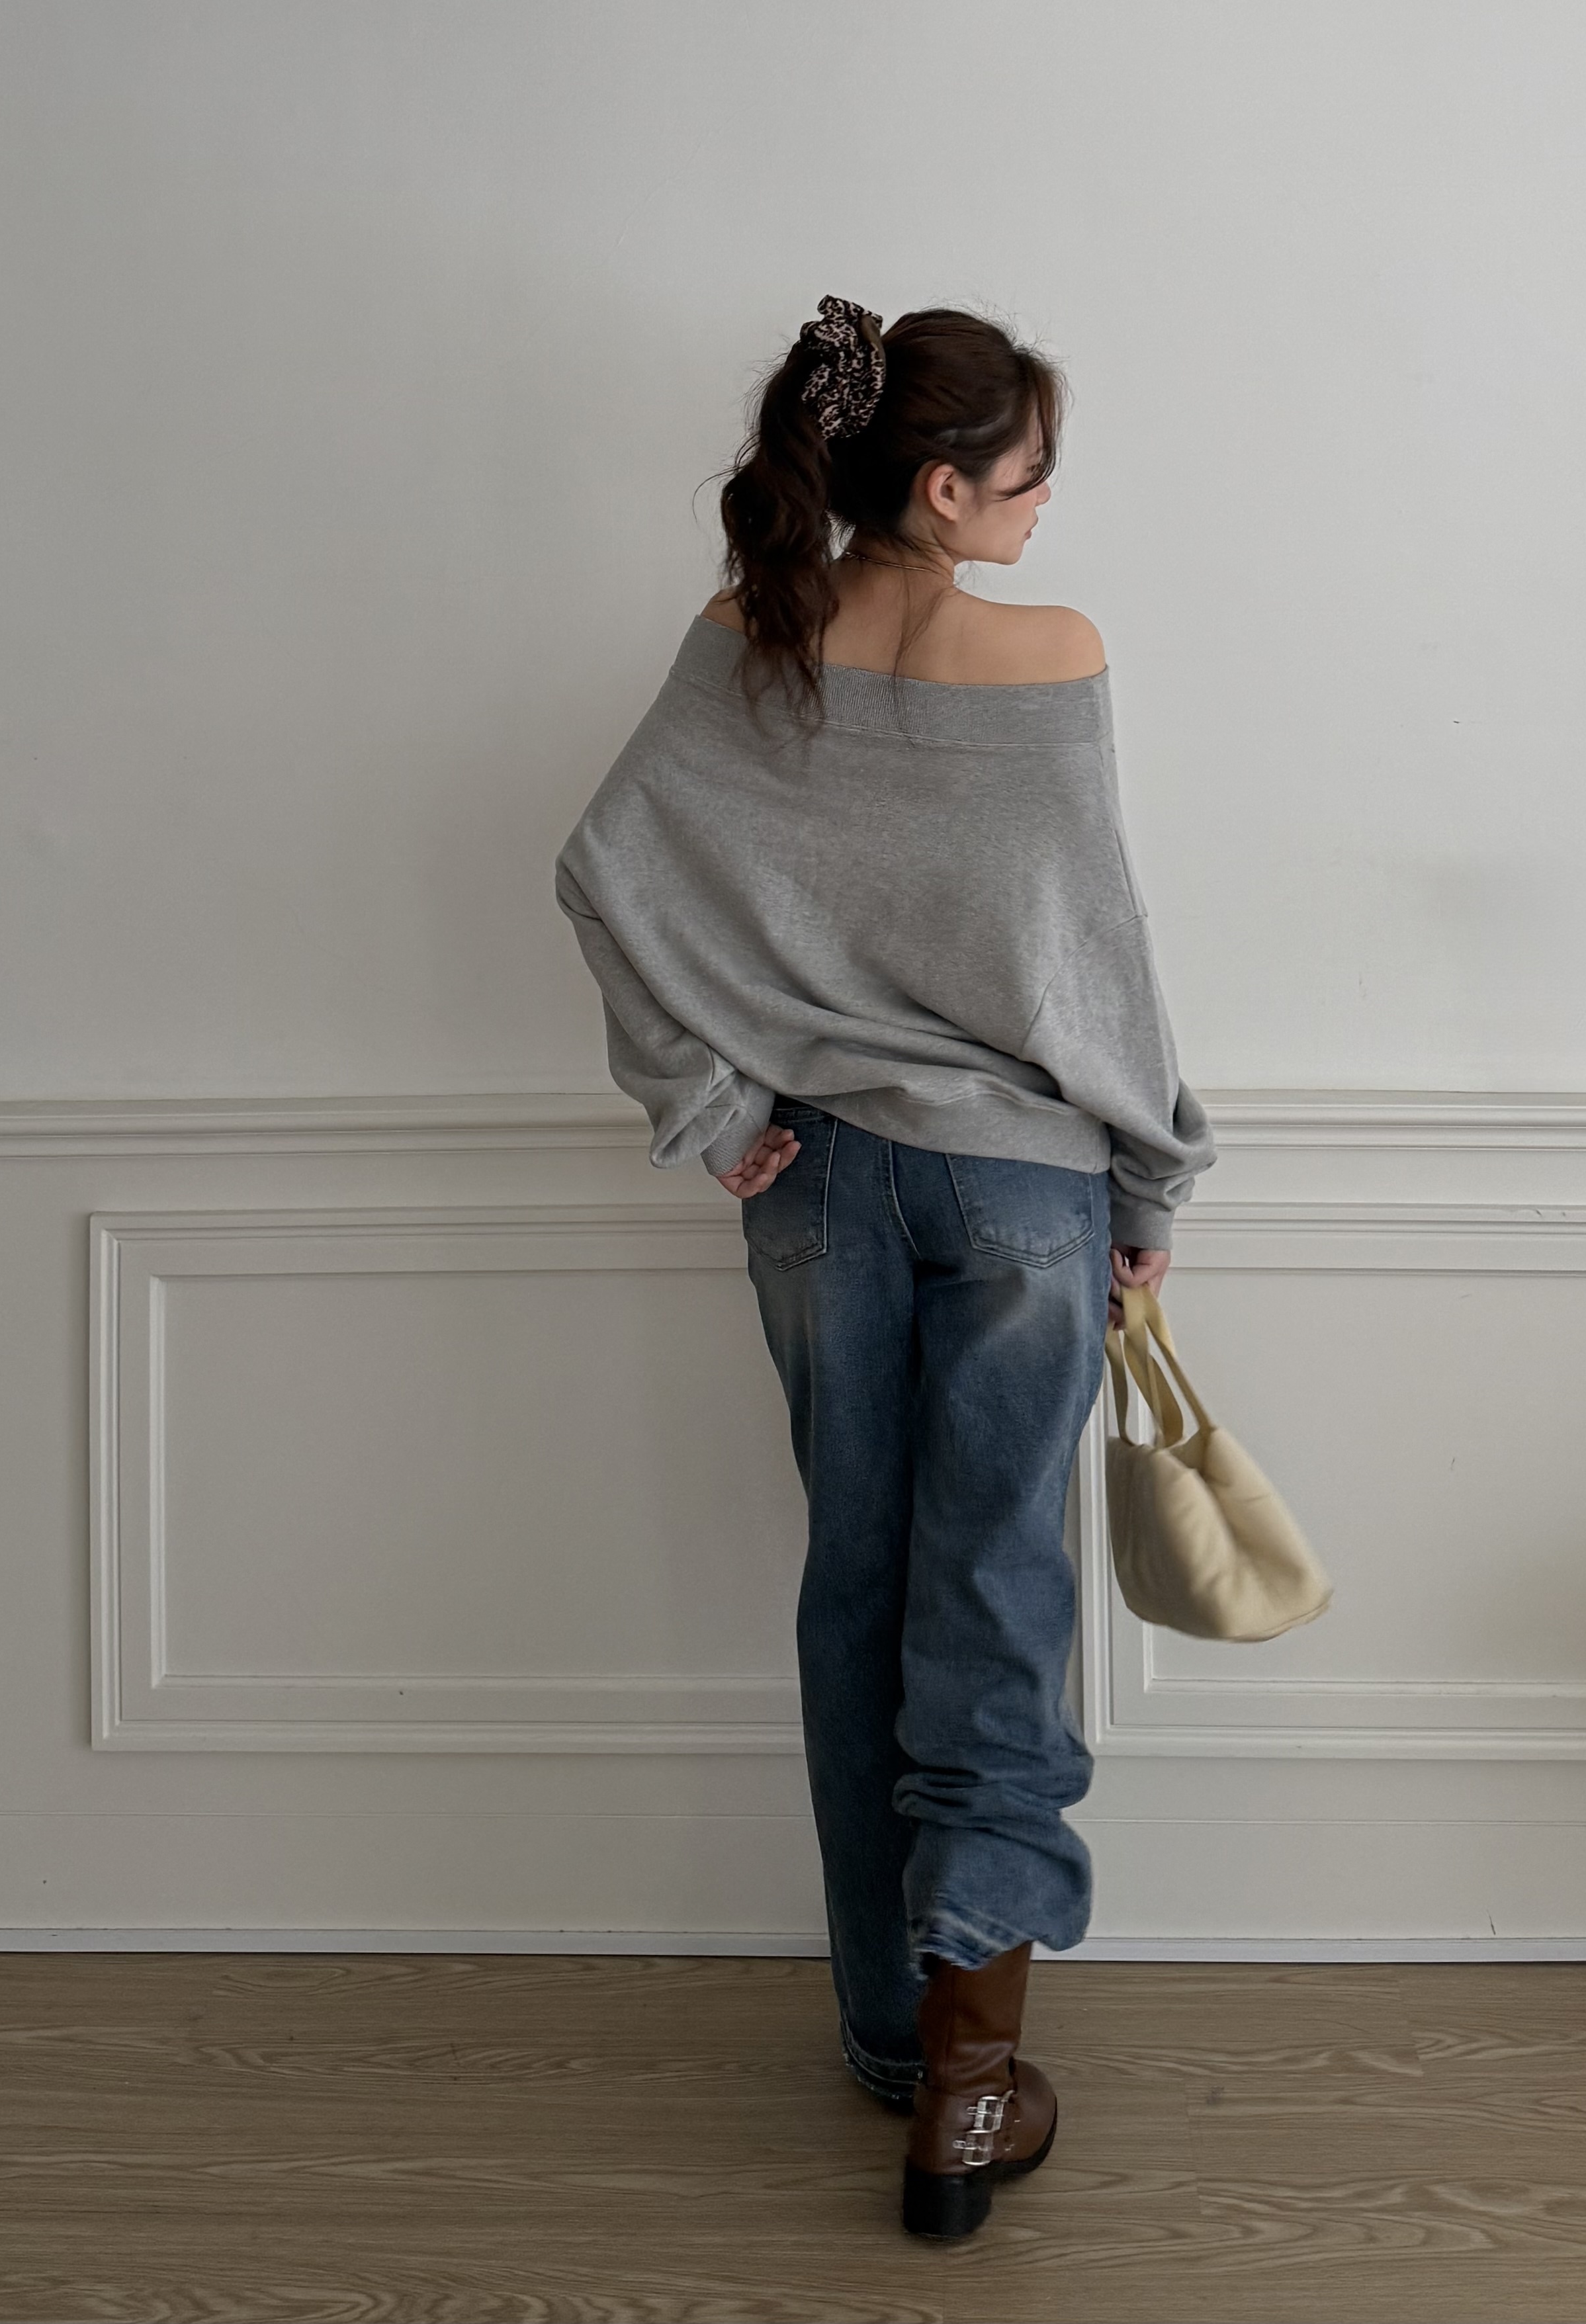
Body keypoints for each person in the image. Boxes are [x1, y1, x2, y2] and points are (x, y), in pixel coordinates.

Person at [554, 296, 1217, 2239]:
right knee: (989, 1601)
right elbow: (1094, 956)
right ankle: (966, 2078)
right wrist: (1153, 1179)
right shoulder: (1054, 655)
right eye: (1026, 474)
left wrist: (712, 1106)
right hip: (1020, 1191)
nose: (1042, 505)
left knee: (857, 1590)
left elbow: (604, 872)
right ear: (941, 487)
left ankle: (883, 2034)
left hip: (816, 1188)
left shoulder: (746, 639)